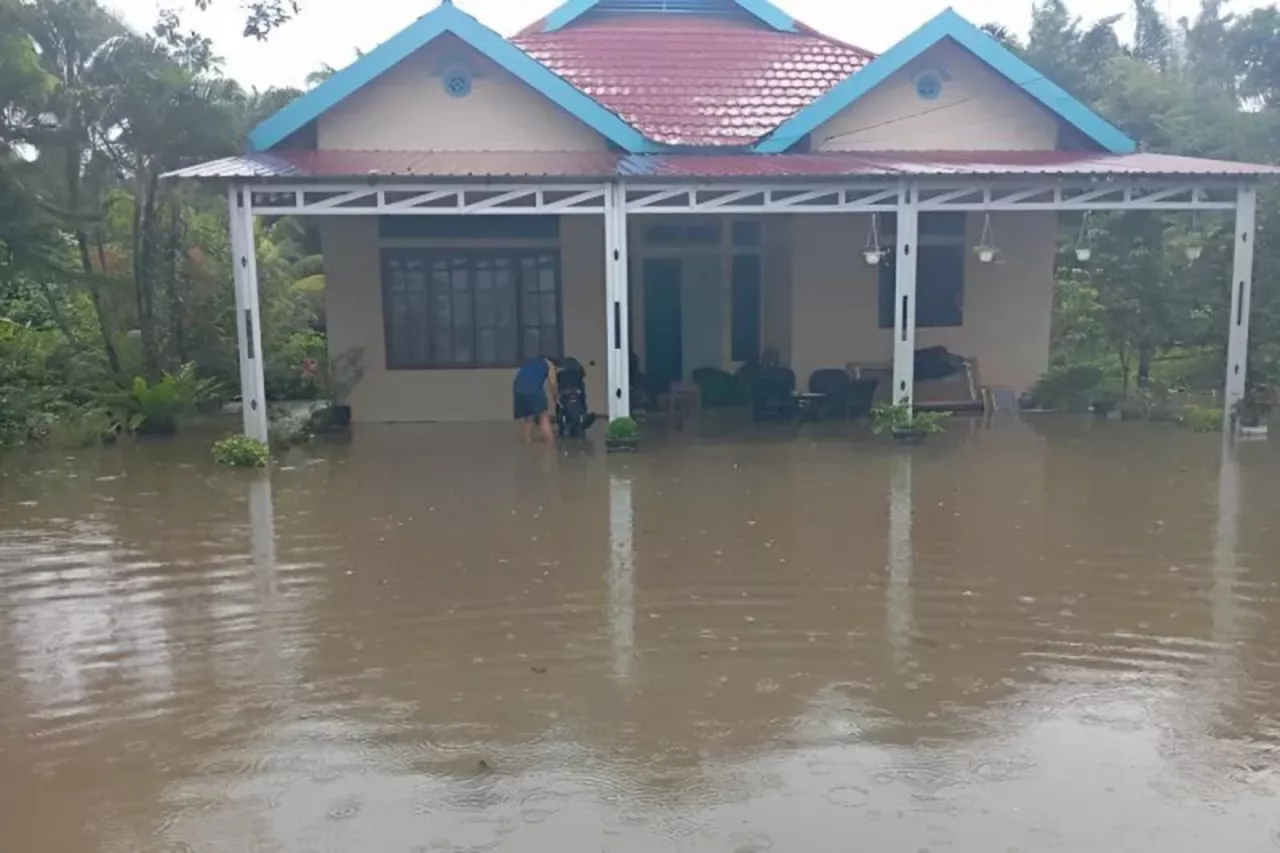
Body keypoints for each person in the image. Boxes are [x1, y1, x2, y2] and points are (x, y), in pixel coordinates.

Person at [513, 356, 559, 443]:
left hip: (518, 389)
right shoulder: (549, 365)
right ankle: (550, 441)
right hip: (533, 390)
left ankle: (527, 438)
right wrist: (555, 396)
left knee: (528, 415)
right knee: (544, 415)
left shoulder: (531, 363)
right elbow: (553, 383)